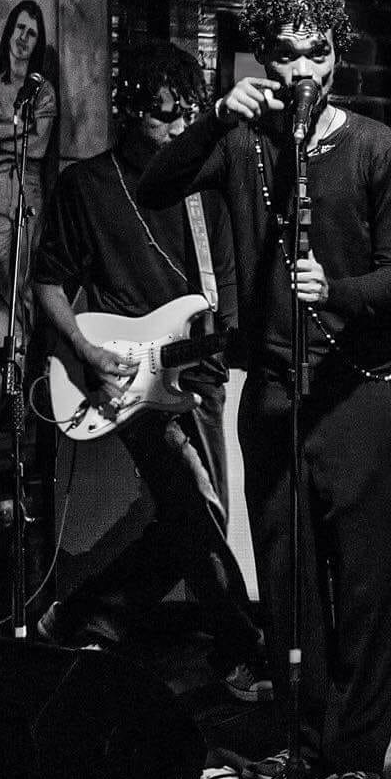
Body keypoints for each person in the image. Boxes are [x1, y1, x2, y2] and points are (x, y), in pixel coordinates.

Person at [137, 0, 391, 779]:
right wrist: (214, 116)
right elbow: (154, 186)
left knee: (363, 587)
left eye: (316, 53)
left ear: (337, 57)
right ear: (264, 59)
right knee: (289, 587)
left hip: (354, 391)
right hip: (271, 393)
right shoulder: (241, 143)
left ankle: (358, 755)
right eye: (286, 55)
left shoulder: (378, 149)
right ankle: (305, 739)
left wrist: (336, 290)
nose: (301, 70)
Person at [32, 42, 269, 703]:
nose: (176, 127)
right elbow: (47, 283)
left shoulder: (204, 179)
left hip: (199, 369)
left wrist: (233, 340)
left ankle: (82, 614)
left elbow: (225, 286)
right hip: (127, 379)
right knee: (196, 505)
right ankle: (240, 651)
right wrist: (85, 349)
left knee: (194, 517)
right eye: (163, 115)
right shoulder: (87, 187)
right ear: (130, 110)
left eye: (186, 113)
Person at [0, 0, 57, 426]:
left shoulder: (44, 91)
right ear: (9, 31)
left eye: (32, 33)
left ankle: (12, 385)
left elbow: (36, 149)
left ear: (37, 43)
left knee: (21, 290)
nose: (23, 38)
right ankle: (4, 374)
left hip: (28, 192)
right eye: (19, 29)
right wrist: (18, 128)